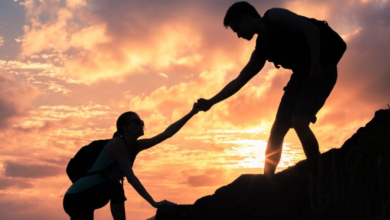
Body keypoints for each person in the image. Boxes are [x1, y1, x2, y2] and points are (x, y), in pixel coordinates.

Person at [196, 2, 346, 177]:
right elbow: (239, 80)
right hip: (301, 76)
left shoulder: (274, 16)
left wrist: (315, 65)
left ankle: (320, 173)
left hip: (322, 67)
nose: (238, 35)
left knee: (299, 121)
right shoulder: (262, 50)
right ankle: (267, 181)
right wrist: (210, 102)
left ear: (245, 18)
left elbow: (311, 29)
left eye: (237, 29)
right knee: (277, 129)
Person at [63, 103, 200, 219]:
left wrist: (192, 112)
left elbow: (167, 133)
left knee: (115, 186)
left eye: (141, 122)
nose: (141, 124)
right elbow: (131, 177)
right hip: (77, 197)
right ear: (125, 127)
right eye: (137, 122)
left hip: (93, 196)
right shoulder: (117, 143)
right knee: (115, 186)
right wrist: (153, 203)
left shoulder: (136, 146)